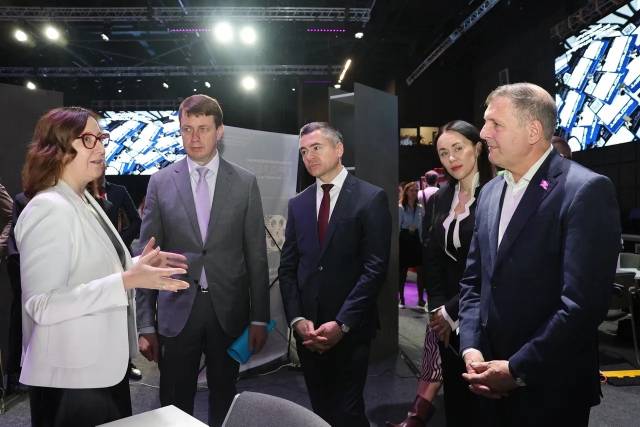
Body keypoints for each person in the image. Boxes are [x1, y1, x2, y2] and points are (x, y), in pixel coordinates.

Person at [458, 83, 621, 426]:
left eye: (495, 124)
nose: (484, 133)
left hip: (551, 390)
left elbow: (581, 306)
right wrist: (471, 349)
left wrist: (516, 369)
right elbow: (474, 282)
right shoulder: (489, 192)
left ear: (533, 131)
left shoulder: (585, 190)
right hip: (485, 379)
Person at [15, 107, 189, 427]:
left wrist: (139, 265)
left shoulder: (83, 200)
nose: (101, 147)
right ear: (57, 148)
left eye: (101, 138)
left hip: (100, 369)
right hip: (70, 379)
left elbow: (90, 271)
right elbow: (42, 304)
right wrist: (127, 280)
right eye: (89, 139)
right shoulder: (48, 208)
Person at [135, 94, 270, 427]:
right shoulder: (160, 182)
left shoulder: (245, 183)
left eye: (203, 129)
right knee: (174, 399)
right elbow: (147, 258)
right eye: (187, 129)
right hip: (177, 311)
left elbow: (256, 256)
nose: (194, 137)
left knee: (226, 395)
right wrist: (146, 324)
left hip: (229, 312)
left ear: (219, 131)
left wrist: (260, 318)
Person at [279, 122, 391, 427]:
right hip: (309, 331)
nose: (309, 156)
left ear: (339, 149)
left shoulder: (371, 198)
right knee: (320, 411)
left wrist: (342, 323)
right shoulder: (298, 204)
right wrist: (297, 319)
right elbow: (288, 268)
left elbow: (375, 268)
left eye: (316, 147)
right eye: (304, 151)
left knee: (348, 412)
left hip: (351, 328)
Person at [388, 120, 493, 427]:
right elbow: (431, 257)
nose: (451, 158)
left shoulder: (496, 193)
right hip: (444, 313)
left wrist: (452, 310)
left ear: (477, 148)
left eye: (458, 148)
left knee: (484, 403)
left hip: (482, 311)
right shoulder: (438, 198)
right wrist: (437, 309)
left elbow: (490, 265)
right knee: (456, 400)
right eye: (444, 152)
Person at [90, 170, 144, 381]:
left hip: (118, 259)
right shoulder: (80, 193)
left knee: (123, 309)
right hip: (91, 259)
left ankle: (126, 362)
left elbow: (136, 221)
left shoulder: (118, 191)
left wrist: (118, 241)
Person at [398, 181, 424, 308]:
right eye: (412, 190)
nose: (414, 193)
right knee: (402, 271)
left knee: (421, 271)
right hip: (404, 239)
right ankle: (401, 299)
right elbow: (398, 227)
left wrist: (422, 242)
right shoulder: (400, 207)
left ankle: (420, 299)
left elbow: (421, 227)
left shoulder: (420, 208)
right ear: (406, 192)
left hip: (416, 240)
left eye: (416, 190)